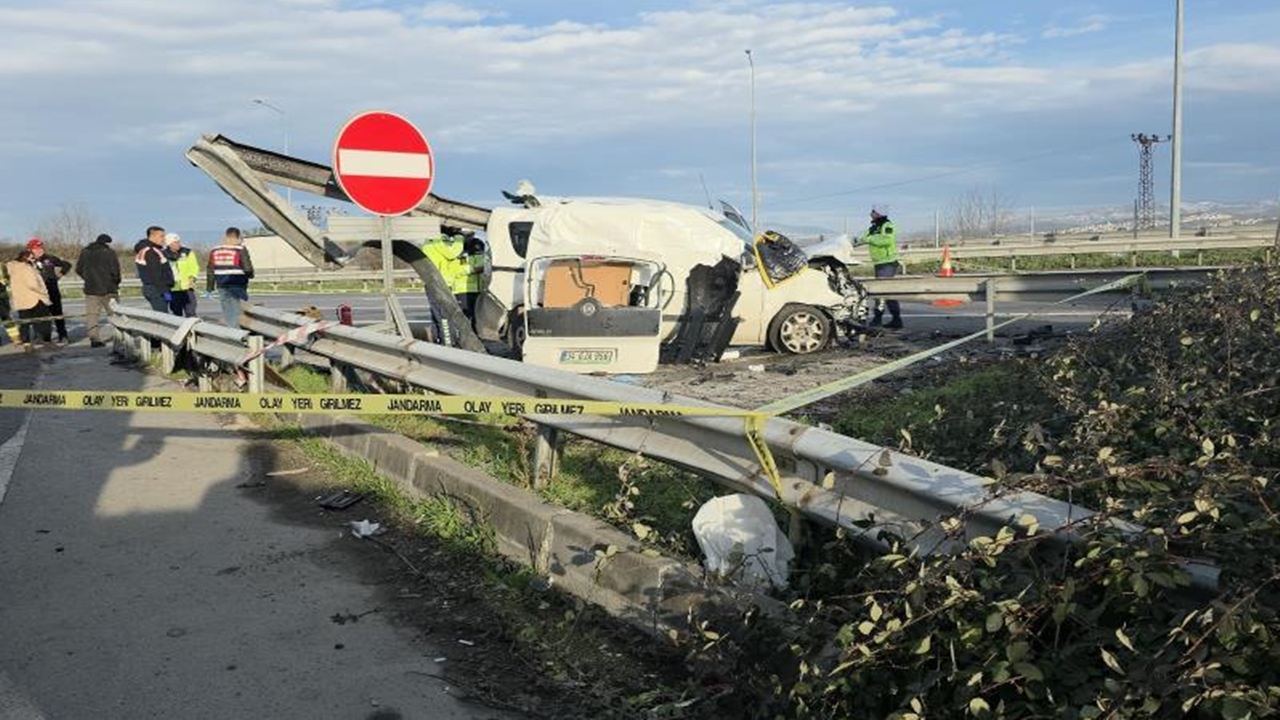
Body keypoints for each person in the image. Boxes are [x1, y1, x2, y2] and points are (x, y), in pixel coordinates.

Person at [74, 233, 122, 348]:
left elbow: (78, 269)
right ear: (106, 243)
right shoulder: (109, 253)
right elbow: (115, 271)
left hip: (91, 289)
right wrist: (116, 282)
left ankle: (94, 339)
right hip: (109, 289)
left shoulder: (85, 252)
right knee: (115, 314)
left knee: (92, 316)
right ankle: (119, 338)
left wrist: (88, 279)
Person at [863, 206, 903, 329]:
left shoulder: (887, 225)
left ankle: (877, 319)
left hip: (888, 263)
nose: (870, 213)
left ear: (879, 213)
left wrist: (869, 239)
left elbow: (886, 240)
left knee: (880, 292)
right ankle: (896, 320)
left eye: (873, 211)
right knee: (888, 292)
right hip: (879, 263)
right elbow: (862, 238)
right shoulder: (873, 227)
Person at [206, 226, 254, 326]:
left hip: (221, 284)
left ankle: (232, 331)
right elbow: (248, 268)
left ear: (226, 236)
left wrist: (209, 288)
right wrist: (250, 276)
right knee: (238, 310)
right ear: (237, 237)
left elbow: (210, 270)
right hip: (237, 283)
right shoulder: (240, 249)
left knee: (227, 310)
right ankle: (239, 333)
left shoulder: (215, 250)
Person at [28, 238, 72, 343]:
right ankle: (41, 336)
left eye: (41, 247)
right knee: (39, 315)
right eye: (37, 248)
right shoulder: (28, 261)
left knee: (57, 313)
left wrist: (60, 274)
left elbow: (67, 265)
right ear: (31, 250)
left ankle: (63, 335)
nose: (40, 250)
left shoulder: (50, 258)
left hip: (52, 290)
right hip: (37, 293)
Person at [6, 249, 52, 348]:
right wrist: (43, 292)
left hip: (21, 300)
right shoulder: (26, 268)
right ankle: (46, 341)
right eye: (32, 257)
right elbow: (32, 284)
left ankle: (26, 343)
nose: (34, 259)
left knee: (24, 323)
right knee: (44, 321)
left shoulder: (13, 268)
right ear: (25, 257)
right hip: (34, 298)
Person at [134, 225, 175, 313]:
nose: (164, 239)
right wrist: (165, 293)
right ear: (152, 236)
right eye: (161, 236)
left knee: (163, 315)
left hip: (157, 288)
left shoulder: (152, 250)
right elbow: (156, 274)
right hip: (157, 289)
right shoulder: (150, 252)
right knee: (163, 317)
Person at [164, 232, 200, 317]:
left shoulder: (187, 252)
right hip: (171, 290)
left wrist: (192, 278)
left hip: (187, 288)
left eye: (179, 241)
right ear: (169, 244)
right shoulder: (163, 254)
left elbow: (194, 267)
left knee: (191, 311)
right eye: (175, 242)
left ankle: (192, 329)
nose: (178, 244)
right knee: (176, 313)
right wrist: (166, 296)